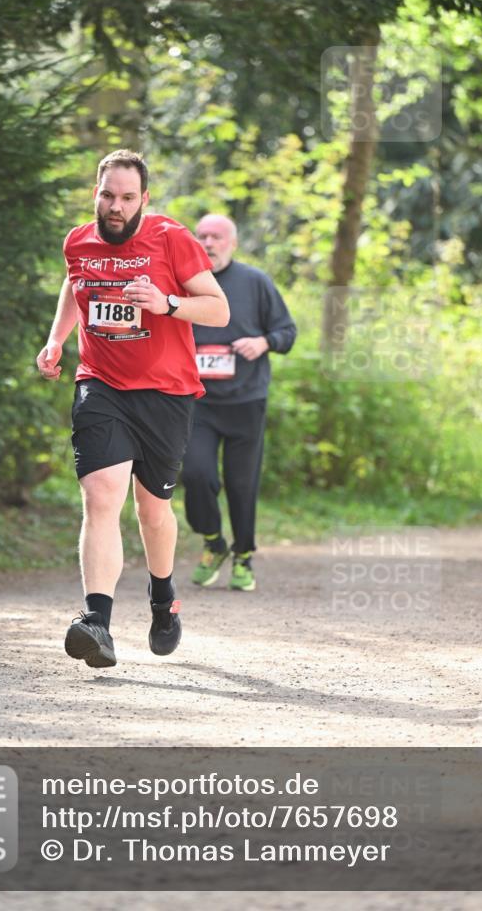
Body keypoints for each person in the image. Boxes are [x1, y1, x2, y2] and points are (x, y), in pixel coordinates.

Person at [36, 151, 229, 668]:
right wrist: (57, 340)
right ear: (95, 192)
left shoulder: (171, 238)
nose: (115, 207)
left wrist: (165, 303)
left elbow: (217, 308)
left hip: (166, 392)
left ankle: (163, 600)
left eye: (126, 198)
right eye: (107, 196)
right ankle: (96, 621)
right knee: (101, 495)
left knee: (152, 509)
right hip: (101, 383)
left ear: (144, 199)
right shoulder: (78, 241)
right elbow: (75, 286)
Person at [181, 214, 296, 592]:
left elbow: (286, 331)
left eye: (217, 237)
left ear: (232, 242)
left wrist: (263, 342)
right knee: (197, 474)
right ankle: (214, 542)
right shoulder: (185, 282)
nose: (209, 243)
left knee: (242, 483)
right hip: (199, 402)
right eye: (202, 236)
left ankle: (244, 555)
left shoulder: (255, 282)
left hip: (246, 401)